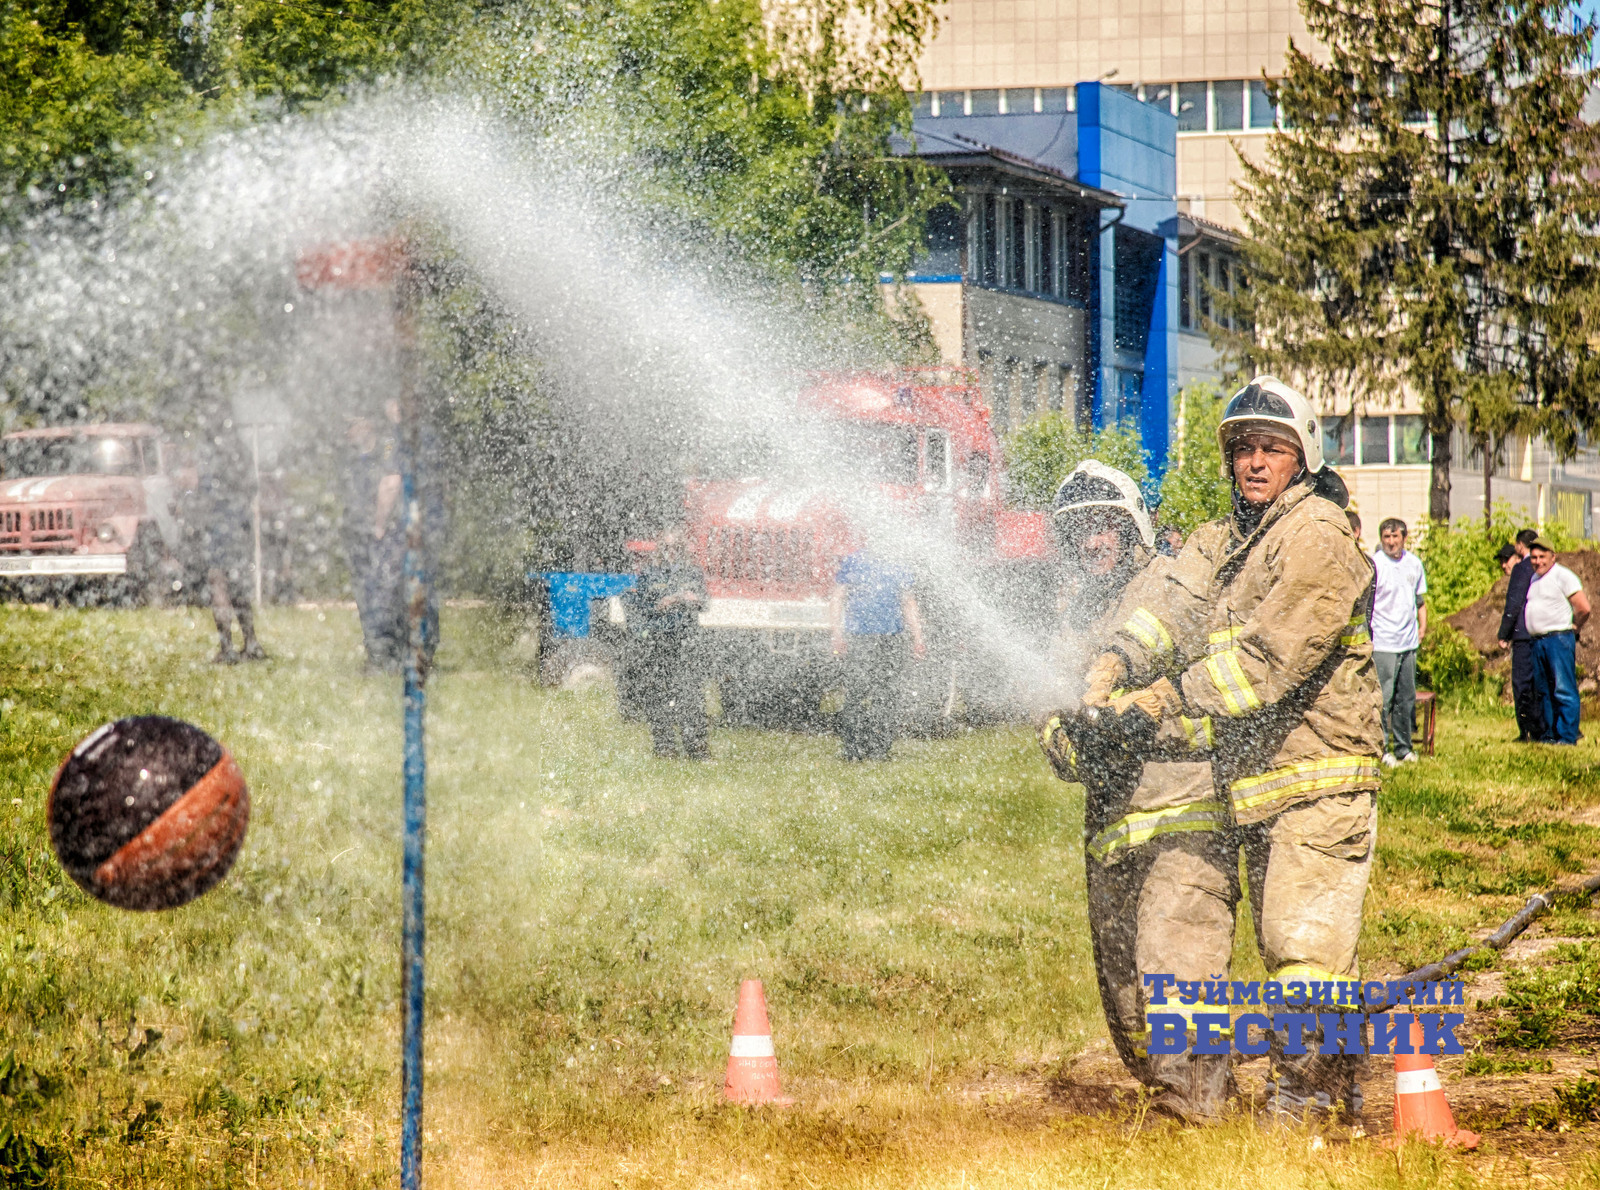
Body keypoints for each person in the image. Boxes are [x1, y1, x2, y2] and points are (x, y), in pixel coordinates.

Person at [1074, 376, 1382, 1124]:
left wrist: (1158, 701)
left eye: (1271, 448)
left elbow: (1265, 662)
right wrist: (1114, 660)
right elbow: (1169, 605)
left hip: (1319, 781)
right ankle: (1296, 1099)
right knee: (1284, 950)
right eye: (1243, 448)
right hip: (1258, 788)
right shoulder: (1228, 538)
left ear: (1302, 456)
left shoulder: (1313, 534)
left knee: (1301, 947)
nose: (1254, 461)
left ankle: (1305, 1105)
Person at [1039, 462, 1237, 1117]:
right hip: (1111, 827)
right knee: (1126, 996)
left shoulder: (1173, 587)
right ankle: (1183, 1091)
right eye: (1081, 533)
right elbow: (1052, 716)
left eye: (1105, 527)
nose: (1093, 542)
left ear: (1132, 527)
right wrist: (1072, 739)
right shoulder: (1072, 616)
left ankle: (1199, 1104)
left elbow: (1222, 687)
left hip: (1186, 807)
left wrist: (1143, 719)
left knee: (1176, 955)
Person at [830, 547, 925, 761]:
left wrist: (918, 636)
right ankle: (853, 750)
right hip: (859, 636)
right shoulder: (854, 561)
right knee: (857, 691)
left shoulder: (899, 562)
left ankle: (878, 749)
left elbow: (908, 602)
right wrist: (836, 633)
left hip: (891, 637)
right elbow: (838, 598)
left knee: (887, 694)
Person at [625, 529, 711, 759]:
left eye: (675, 548)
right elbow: (640, 609)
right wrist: (662, 605)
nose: (671, 552)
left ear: (682, 549)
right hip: (658, 641)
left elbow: (705, 604)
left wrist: (691, 599)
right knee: (657, 695)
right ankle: (664, 747)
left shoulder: (692, 573)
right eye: (667, 547)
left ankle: (697, 749)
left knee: (690, 696)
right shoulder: (649, 574)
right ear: (660, 549)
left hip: (686, 641)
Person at [188, 423, 266, 664]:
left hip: (218, 524)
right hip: (240, 524)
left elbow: (203, 490)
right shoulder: (240, 450)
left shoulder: (209, 453)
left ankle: (227, 648)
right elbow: (253, 487)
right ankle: (251, 643)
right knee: (239, 583)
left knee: (218, 581)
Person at [341, 410, 405, 671]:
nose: (346, 432)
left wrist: (379, 525)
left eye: (351, 424)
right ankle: (377, 654)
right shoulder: (354, 457)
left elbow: (391, 484)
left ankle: (386, 657)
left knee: (383, 592)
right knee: (366, 594)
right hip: (359, 533)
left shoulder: (387, 450)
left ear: (368, 424)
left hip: (382, 533)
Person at [1371, 518, 1426, 766]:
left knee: (1406, 698)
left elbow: (1419, 600)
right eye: (1386, 538)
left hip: (1408, 642)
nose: (1391, 542)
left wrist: (1422, 628)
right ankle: (1382, 749)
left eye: (1395, 537)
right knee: (1384, 699)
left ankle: (1404, 748)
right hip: (1383, 642)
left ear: (1404, 538)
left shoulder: (1414, 563)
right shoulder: (1375, 564)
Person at [1525, 540, 1590, 745]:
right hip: (1538, 642)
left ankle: (1567, 736)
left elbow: (1583, 607)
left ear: (1553, 556)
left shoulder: (1563, 575)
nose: (1537, 561)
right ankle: (1550, 734)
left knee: (1563, 689)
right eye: (1534, 557)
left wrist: (1574, 626)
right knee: (1544, 690)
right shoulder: (1535, 578)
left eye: (1542, 557)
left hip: (1558, 639)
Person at [1497, 539, 1541, 742]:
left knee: (1522, 683)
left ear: (1520, 547)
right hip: (1542, 632)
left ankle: (1527, 731)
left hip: (1523, 634)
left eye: (1507, 559)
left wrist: (1504, 634)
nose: (1504, 565)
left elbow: (1513, 605)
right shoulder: (1544, 567)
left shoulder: (1521, 568)